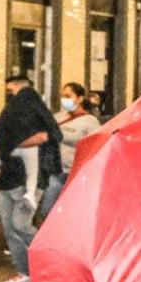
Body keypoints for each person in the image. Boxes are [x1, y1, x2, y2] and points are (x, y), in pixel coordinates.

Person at [0, 76, 60, 282]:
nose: (9, 96)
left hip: (31, 179)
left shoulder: (36, 112)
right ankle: (25, 272)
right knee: (10, 228)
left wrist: (10, 146)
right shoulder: (8, 116)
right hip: (8, 178)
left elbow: (47, 136)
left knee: (20, 223)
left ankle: (52, 259)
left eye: (11, 91)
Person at [39, 84, 101, 220]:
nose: (64, 100)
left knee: (71, 214)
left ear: (79, 98)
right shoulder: (58, 118)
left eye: (68, 96)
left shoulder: (90, 122)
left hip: (76, 175)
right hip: (57, 172)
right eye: (63, 96)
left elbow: (96, 146)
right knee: (47, 211)